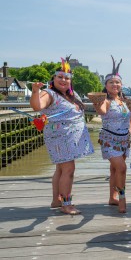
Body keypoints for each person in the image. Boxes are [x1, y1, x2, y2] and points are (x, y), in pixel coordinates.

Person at [30, 55, 94, 215]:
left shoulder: (71, 95)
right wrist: (36, 91)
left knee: (60, 168)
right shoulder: (49, 93)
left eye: (67, 78)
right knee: (68, 170)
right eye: (60, 77)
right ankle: (67, 204)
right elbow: (37, 106)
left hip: (69, 139)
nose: (64, 80)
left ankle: (56, 200)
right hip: (60, 138)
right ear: (53, 78)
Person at [92, 56, 131, 213]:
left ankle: (112, 197)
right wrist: (97, 104)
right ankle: (122, 198)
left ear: (121, 85)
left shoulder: (124, 101)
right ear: (106, 85)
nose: (115, 85)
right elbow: (102, 111)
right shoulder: (105, 100)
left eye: (117, 82)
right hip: (109, 139)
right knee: (121, 168)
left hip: (124, 140)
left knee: (114, 170)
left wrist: (130, 128)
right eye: (111, 82)